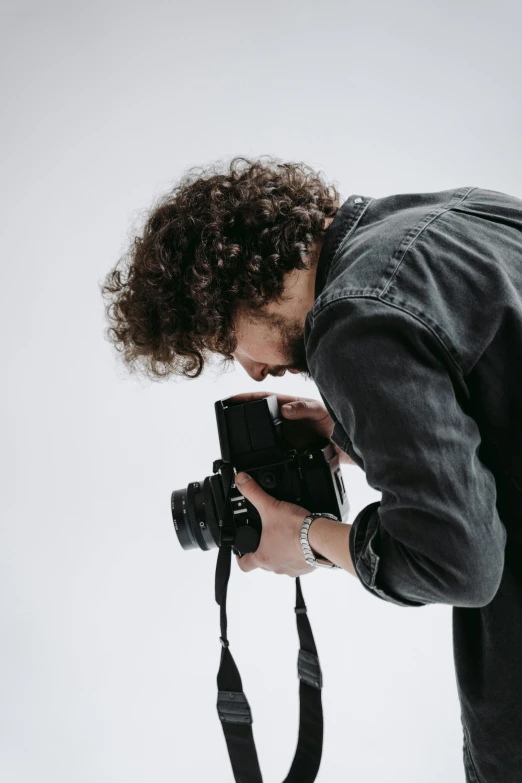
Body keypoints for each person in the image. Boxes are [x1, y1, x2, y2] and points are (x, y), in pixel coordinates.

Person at [100, 155, 522, 783]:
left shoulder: (350, 321)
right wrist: (348, 427)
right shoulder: (460, 213)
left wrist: (302, 538)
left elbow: (456, 561)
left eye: (225, 342)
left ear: (238, 285)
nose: (248, 369)